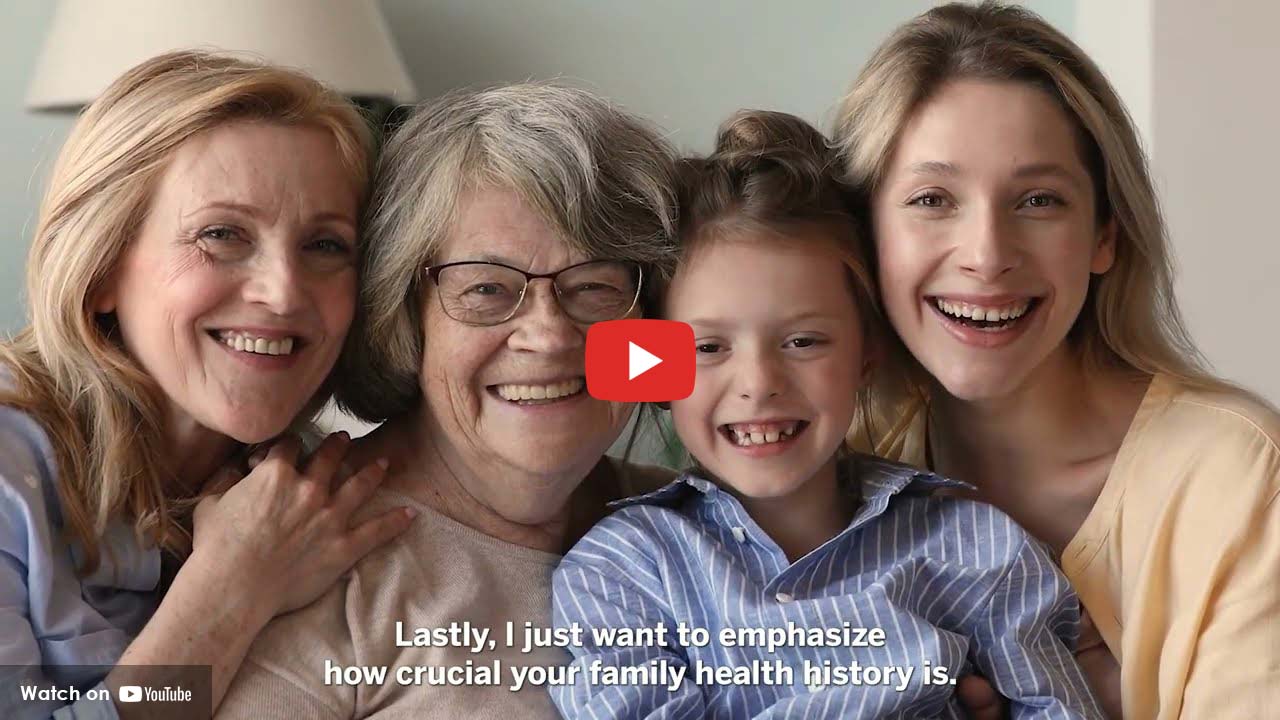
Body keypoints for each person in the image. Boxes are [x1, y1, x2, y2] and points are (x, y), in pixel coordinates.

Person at [550, 110, 1103, 719]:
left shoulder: (976, 547)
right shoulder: (622, 573)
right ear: (651, 370)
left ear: (867, 353)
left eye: (804, 341)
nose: (759, 385)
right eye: (709, 348)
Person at [833, 3, 1280, 718]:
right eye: (932, 199)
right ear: (865, 237)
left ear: (1106, 234)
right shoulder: (831, 476)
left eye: (1038, 200)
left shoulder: (1240, 477)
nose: (986, 254)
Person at [213, 83, 679, 720]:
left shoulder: (705, 524)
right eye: (486, 288)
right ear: (408, 317)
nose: (547, 336)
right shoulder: (313, 554)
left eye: (596, 286)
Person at [0, 51, 414, 719]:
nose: (283, 293)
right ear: (101, 267)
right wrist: (231, 587)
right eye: (221, 235)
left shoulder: (315, 496)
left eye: (326, 245)